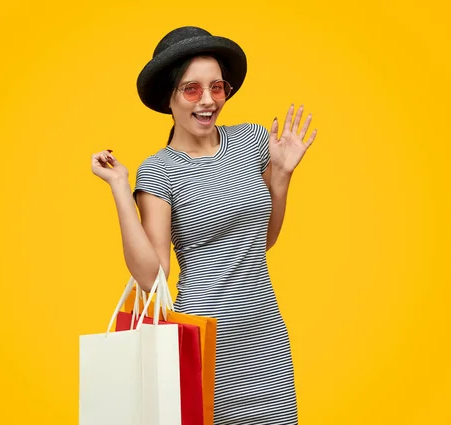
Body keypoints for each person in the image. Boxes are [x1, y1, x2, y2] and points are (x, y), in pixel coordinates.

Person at [91, 26, 316, 425]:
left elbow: (262, 239)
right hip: (204, 337)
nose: (208, 100)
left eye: (218, 87)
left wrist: (281, 175)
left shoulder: (252, 140)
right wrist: (120, 188)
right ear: (170, 98)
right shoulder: (159, 170)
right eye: (192, 89)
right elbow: (152, 275)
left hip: (264, 331)